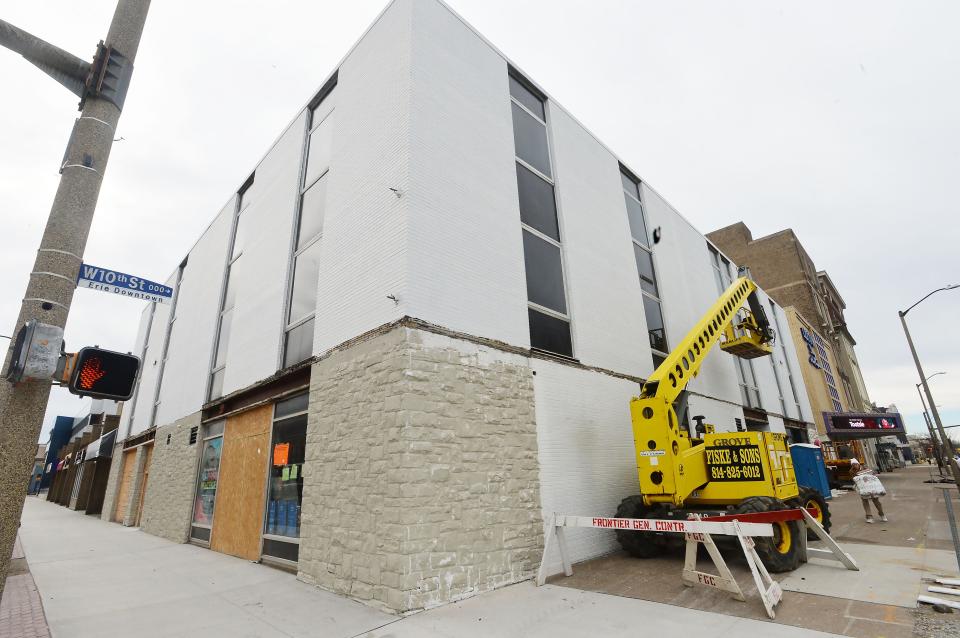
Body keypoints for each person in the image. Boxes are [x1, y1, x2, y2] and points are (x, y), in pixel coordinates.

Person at [851, 459, 887, 523]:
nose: (854, 466)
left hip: (872, 487)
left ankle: (881, 514)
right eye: (853, 465)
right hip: (863, 488)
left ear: (858, 464)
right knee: (865, 501)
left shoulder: (865, 468)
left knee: (876, 500)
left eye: (855, 464)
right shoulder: (852, 471)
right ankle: (869, 516)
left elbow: (873, 475)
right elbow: (855, 480)